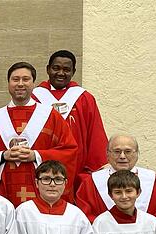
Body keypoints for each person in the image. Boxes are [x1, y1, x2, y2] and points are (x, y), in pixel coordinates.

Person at [0, 62, 77, 205]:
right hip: (3, 191)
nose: (20, 84)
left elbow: (69, 151)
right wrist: (3, 156)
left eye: (26, 79)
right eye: (15, 79)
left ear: (33, 83)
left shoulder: (51, 116)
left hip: (40, 188)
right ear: (8, 83)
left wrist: (36, 155)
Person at [32, 50, 107, 190]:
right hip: (41, 166)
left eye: (66, 69)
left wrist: (93, 170)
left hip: (76, 167)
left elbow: (95, 134)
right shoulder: (34, 98)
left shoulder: (84, 98)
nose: (61, 73)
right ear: (48, 69)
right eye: (56, 68)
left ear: (73, 72)